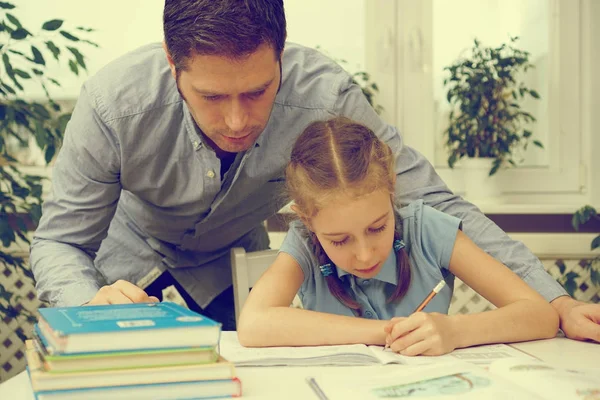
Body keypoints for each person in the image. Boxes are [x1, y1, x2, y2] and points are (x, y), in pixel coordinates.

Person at [30, 0, 599, 339]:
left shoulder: (325, 93)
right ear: (171, 61)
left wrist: (557, 303)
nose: (235, 120)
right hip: (126, 277)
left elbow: (435, 203)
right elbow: (60, 241)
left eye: (257, 92)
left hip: (231, 273)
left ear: (281, 54)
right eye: (210, 97)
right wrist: (87, 307)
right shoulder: (112, 104)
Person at [237, 117, 559, 353]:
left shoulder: (427, 229)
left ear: (391, 186)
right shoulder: (304, 245)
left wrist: (455, 331)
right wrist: (384, 332)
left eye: (377, 228)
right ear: (306, 219)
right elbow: (252, 325)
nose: (365, 254)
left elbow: (541, 315)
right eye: (339, 240)